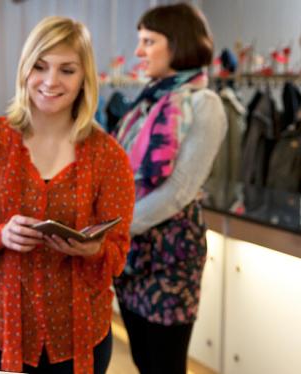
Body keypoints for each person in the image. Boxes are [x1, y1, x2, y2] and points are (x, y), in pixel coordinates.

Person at [0, 16, 135, 374]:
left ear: (84, 78)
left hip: (81, 339)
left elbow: (119, 253)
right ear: (25, 71)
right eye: (40, 67)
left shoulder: (109, 155)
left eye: (67, 70)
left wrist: (95, 249)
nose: (50, 81)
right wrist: (0, 234)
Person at [111, 4, 227, 374]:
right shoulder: (150, 100)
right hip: (133, 250)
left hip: (171, 254)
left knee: (165, 363)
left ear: (176, 44)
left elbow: (179, 190)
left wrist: (115, 226)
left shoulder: (204, 105)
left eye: (148, 41)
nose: (138, 52)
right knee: (143, 358)